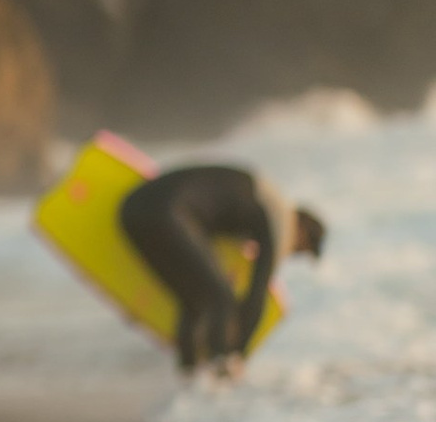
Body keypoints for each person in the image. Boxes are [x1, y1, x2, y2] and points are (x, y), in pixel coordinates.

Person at [117, 158, 326, 374]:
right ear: (302, 232)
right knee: (220, 297)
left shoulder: (259, 197)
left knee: (194, 301)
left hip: (132, 209)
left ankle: (189, 379)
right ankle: (219, 378)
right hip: (168, 213)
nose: (292, 255)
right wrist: (238, 354)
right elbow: (257, 295)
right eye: (300, 251)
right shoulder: (282, 221)